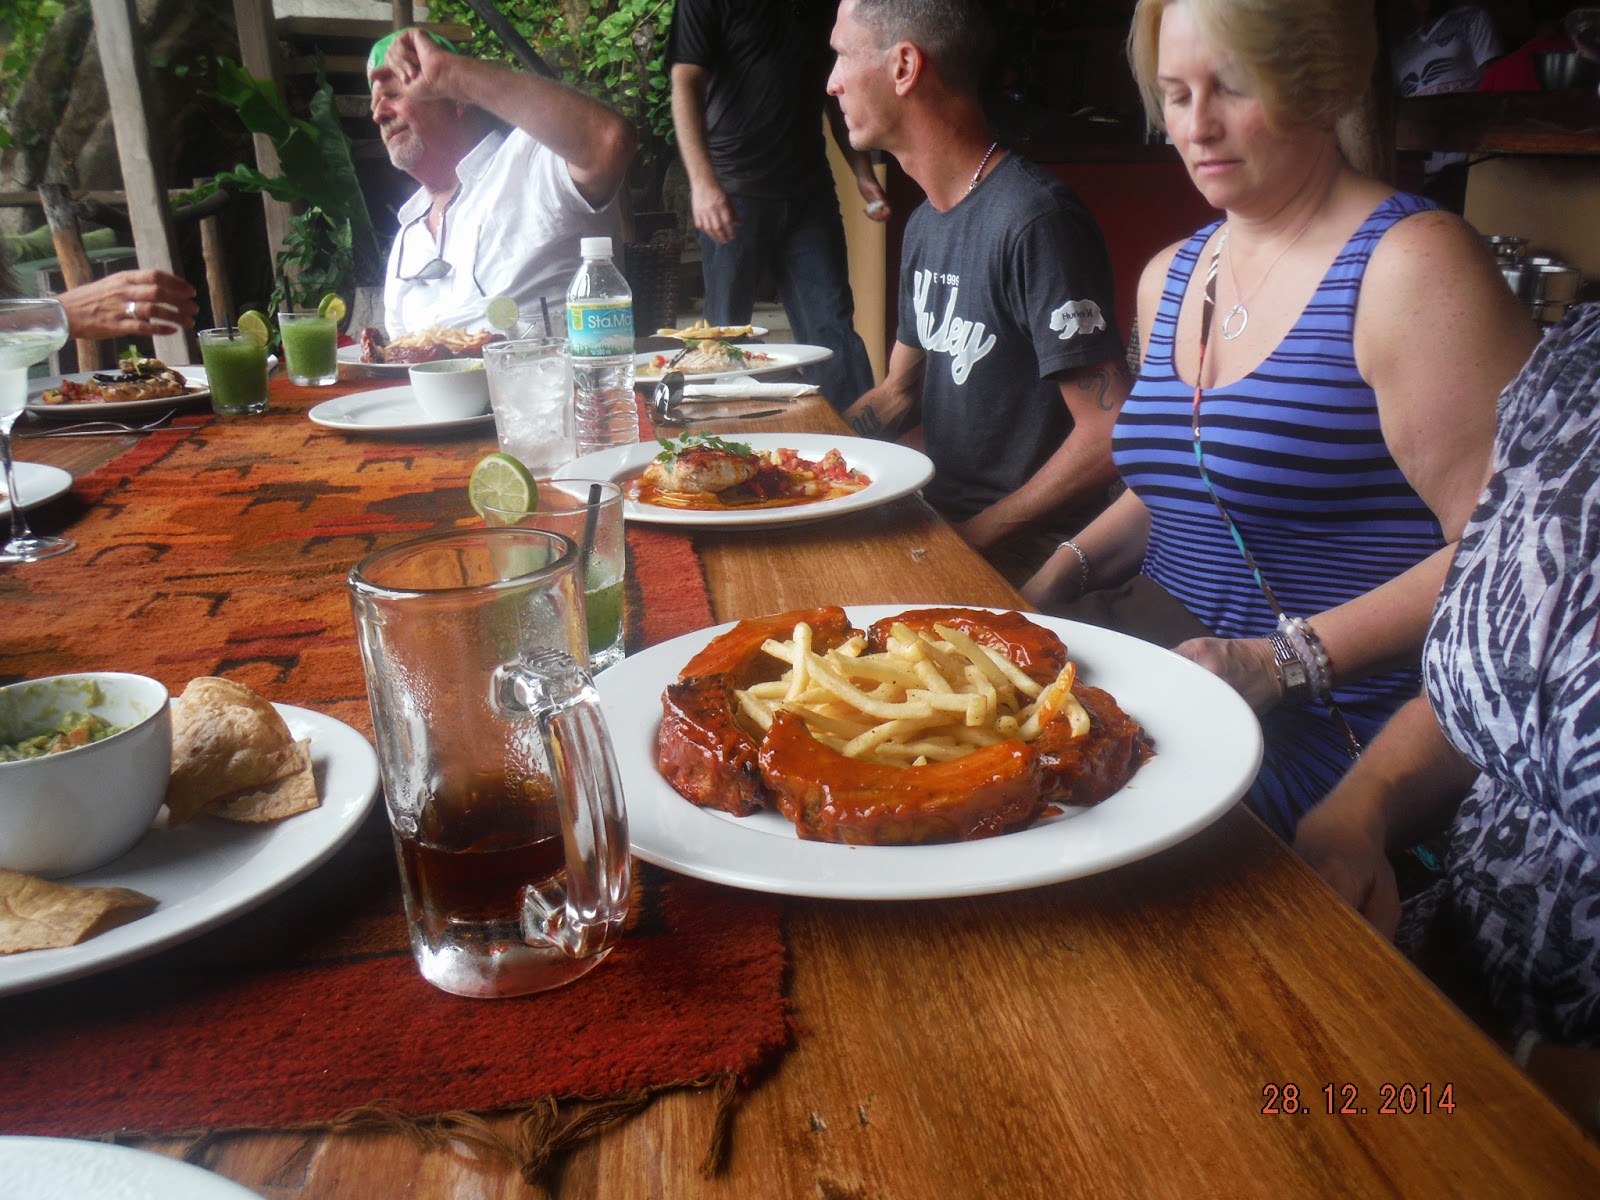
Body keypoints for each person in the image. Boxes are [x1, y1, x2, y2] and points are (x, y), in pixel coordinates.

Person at [1021, 0, 1535, 838]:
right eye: (1175, 94)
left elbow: (1514, 566)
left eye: (1232, 86)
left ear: (1321, 87)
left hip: (1347, 739)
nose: (1198, 126)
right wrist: (1055, 576)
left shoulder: (1413, 268)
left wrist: (1279, 662)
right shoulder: (1172, 277)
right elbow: (1190, 479)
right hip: (1174, 688)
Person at [1294, 304, 1600, 1135]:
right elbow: (1495, 685)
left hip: (1523, 1099)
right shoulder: (1575, 369)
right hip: (1432, 976)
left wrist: (1497, 1076)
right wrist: (1361, 810)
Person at [830, 0, 1131, 584]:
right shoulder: (924, 224)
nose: (832, 82)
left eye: (842, 55)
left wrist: (972, 538)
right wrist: (800, 460)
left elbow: (1109, 432)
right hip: (941, 525)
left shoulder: (1035, 220)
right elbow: (900, 393)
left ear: (904, 67)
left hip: (1031, 549)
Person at [668, 0, 885, 409]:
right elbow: (685, 81)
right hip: (732, 194)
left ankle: (863, 444)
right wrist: (702, 183)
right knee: (725, 335)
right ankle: (720, 450)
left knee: (832, 328)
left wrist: (862, 170)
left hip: (809, 193)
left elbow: (831, 91)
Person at [367, 28, 636, 338]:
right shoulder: (407, 239)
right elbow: (400, 363)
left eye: (394, 95)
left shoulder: (532, 159)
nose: (379, 115)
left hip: (555, 382)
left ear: (456, 98)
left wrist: (451, 72)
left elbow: (610, 140)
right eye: (374, 104)